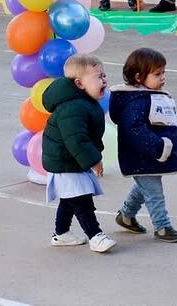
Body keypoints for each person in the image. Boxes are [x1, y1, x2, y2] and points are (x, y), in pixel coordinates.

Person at [109, 47, 177, 243]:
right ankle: (162, 226)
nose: (163, 77)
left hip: (153, 154)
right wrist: (158, 147)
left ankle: (126, 215)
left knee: (145, 186)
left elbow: (169, 121)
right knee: (153, 190)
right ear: (139, 77)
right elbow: (134, 129)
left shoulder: (155, 96)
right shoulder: (136, 102)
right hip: (143, 153)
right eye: (157, 74)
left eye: (163, 72)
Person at [41, 54, 117, 253]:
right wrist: (94, 159)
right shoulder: (73, 107)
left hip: (70, 160)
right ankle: (95, 235)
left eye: (104, 76)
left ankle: (61, 234)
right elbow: (76, 139)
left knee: (69, 198)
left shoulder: (84, 102)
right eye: (99, 76)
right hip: (64, 160)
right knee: (82, 200)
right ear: (79, 83)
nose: (104, 80)